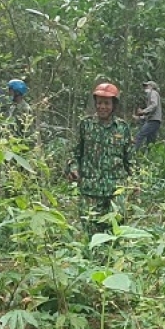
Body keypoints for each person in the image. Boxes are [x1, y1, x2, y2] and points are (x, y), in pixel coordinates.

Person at [68, 82, 132, 233]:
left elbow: (130, 157)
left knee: (116, 226)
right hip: (90, 188)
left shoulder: (122, 128)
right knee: (90, 229)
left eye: (107, 103)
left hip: (116, 188)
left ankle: (112, 256)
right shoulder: (86, 125)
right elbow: (74, 153)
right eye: (99, 103)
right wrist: (73, 169)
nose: (102, 107)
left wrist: (134, 181)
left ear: (114, 105)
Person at [133, 80, 163, 151]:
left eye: (147, 86)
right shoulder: (153, 94)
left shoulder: (153, 93)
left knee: (140, 135)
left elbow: (154, 105)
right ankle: (149, 157)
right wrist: (140, 117)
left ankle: (132, 153)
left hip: (153, 121)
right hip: (155, 121)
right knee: (150, 142)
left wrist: (143, 111)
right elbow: (151, 113)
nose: (145, 88)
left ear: (152, 87)